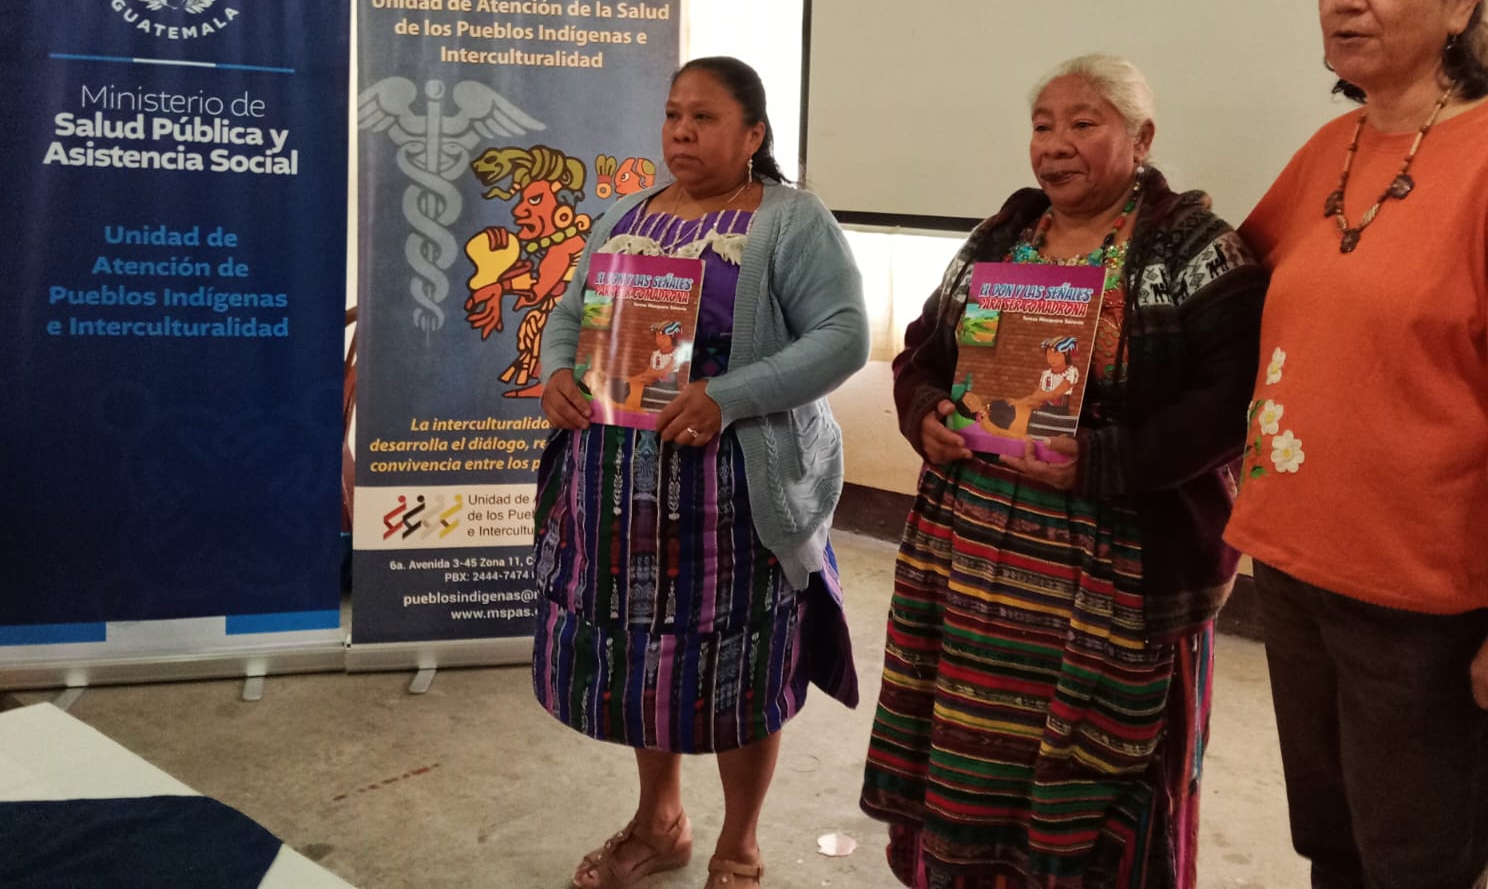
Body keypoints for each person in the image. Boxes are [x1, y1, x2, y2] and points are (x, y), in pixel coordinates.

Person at [1224, 0, 1488, 889]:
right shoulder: (1332, 147)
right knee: (1335, 853)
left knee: (1419, 870)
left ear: (1463, 0)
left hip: (1430, 606)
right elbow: (1222, 295)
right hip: (1296, 572)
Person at [860, 54, 1267, 887]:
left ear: (1141, 139)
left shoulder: (1197, 251)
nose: (1054, 144)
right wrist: (925, 411)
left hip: (1116, 575)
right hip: (970, 566)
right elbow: (924, 350)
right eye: (1042, 125)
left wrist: (1104, 460)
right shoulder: (1004, 235)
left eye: (1084, 123)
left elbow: (1232, 404)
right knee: (972, 756)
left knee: (1095, 781)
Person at [533, 56, 870, 889]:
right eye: (673, 115)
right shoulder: (629, 214)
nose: (681, 132)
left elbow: (843, 337)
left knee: (738, 665)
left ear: (753, 134)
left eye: (704, 118)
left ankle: (740, 843)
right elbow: (571, 314)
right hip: (618, 499)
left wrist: (728, 395)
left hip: (736, 502)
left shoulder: (791, 222)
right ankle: (661, 822)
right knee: (648, 659)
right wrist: (557, 373)